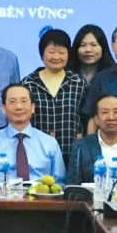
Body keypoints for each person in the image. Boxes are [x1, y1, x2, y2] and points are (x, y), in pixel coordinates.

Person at [0, 84, 66, 183]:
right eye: (12, 102)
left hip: (40, 196)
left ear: (33, 107)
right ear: (3, 108)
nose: (18, 107)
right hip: (1, 196)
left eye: (24, 101)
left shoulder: (49, 143)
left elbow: (59, 182)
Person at [21, 28, 87, 163]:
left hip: (72, 153)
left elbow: (86, 118)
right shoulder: (28, 84)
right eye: (51, 52)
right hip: (37, 154)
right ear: (42, 54)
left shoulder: (79, 83)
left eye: (61, 52)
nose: (56, 57)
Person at [68, 95, 117, 186]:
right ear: (96, 119)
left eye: (116, 112)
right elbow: (72, 186)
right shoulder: (80, 147)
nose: (111, 117)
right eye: (105, 112)